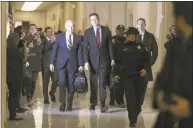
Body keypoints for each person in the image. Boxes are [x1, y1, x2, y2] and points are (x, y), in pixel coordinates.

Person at [153, 2, 192, 128]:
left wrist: (189, 108)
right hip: (167, 119)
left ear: (180, 19)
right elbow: (162, 78)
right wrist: (159, 96)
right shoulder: (175, 45)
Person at [113, 27, 150, 127]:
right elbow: (117, 62)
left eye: (128, 34)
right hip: (127, 76)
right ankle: (132, 121)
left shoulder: (141, 46)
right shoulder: (122, 46)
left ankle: (136, 113)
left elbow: (147, 60)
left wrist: (145, 69)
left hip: (139, 76)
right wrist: (115, 74)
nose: (126, 36)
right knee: (130, 99)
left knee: (138, 100)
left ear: (133, 35)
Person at [83, 13, 114, 113]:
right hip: (92, 62)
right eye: (92, 19)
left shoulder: (106, 30)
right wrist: (86, 61)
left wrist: (112, 58)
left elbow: (110, 46)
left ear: (98, 19)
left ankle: (103, 104)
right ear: (90, 21)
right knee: (93, 84)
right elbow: (85, 49)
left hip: (104, 60)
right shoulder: (87, 32)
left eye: (95, 19)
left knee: (102, 83)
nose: (94, 21)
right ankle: (93, 103)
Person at [50, 20, 83, 111]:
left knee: (71, 85)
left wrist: (81, 65)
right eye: (69, 26)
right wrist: (51, 62)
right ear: (65, 27)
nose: (71, 28)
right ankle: (62, 103)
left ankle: (69, 104)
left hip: (73, 64)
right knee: (62, 83)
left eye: (72, 26)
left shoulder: (78, 38)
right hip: (61, 64)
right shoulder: (59, 37)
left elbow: (79, 52)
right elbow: (54, 51)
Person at [136, 18, 158, 105]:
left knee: (143, 84)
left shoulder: (150, 36)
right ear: (137, 25)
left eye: (142, 24)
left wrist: (149, 64)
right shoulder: (134, 36)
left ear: (145, 25)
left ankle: (139, 102)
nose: (140, 25)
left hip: (146, 65)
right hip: (135, 65)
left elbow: (155, 52)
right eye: (139, 24)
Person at [23, 24, 43, 106]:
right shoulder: (26, 37)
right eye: (32, 29)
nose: (34, 30)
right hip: (28, 62)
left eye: (35, 29)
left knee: (34, 82)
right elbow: (26, 46)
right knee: (28, 80)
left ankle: (30, 95)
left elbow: (40, 49)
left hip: (36, 62)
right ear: (29, 30)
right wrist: (32, 36)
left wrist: (31, 49)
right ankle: (29, 97)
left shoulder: (39, 39)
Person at [6, 33, 24, 120]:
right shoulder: (14, 50)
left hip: (9, 75)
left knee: (11, 95)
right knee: (15, 95)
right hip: (16, 76)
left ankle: (12, 113)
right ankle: (12, 114)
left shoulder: (6, 48)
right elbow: (23, 57)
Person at [109, 24, 126, 108]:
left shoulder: (126, 40)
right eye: (119, 30)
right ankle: (112, 98)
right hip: (113, 63)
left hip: (122, 64)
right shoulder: (112, 39)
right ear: (116, 31)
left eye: (122, 30)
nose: (121, 32)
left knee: (121, 83)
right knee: (112, 83)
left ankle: (120, 100)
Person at [41, 27, 58, 104]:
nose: (50, 33)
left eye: (51, 32)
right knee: (45, 82)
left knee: (55, 80)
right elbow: (44, 49)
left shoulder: (55, 40)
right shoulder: (43, 40)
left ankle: (51, 92)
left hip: (54, 63)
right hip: (46, 64)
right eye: (48, 32)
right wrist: (51, 42)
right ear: (45, 33)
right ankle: (45, 98)